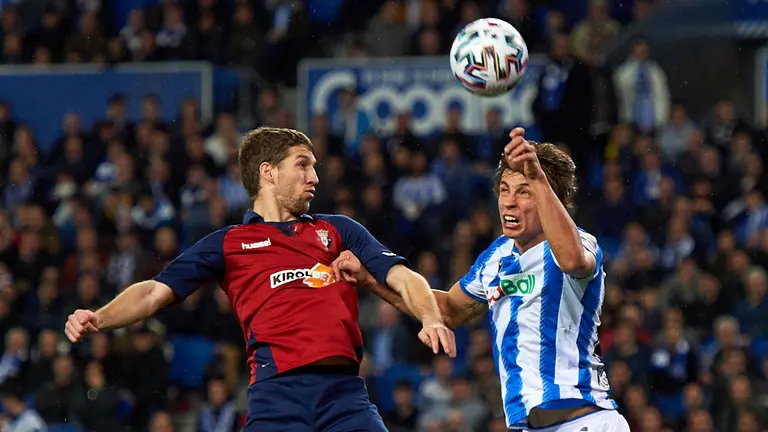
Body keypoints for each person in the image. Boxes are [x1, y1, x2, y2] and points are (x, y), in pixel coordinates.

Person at [64, 127, 456, 431]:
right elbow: (152, 293)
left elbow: (404, 278)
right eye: (303, 164)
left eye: (315, 166)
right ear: (268, 173)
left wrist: (430, 317)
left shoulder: (338, 230)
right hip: (275, 397)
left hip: (345, 395)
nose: (315, 177)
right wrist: (100, 317)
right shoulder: (228, 243)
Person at [333, 128, 630, 431]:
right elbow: (447, 309)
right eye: (504, 189)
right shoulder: (496, 256)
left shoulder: (580, 243)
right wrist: (370, 280)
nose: (509, 202)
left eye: (524, 191)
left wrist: (538, 177)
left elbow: (571, 260)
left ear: (548, 196)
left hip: (588, 421)